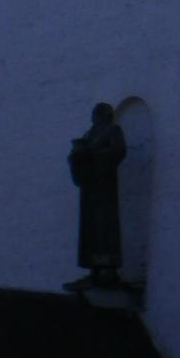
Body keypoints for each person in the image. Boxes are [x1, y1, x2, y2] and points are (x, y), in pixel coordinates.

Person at [68, 102, 127, 277]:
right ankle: (93, 267)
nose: (93, 118)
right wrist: (76, 156)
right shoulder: (90, 133)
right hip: (90, 187)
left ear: (102, 115)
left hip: (105, 187)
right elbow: (80, 153)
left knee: (105, 226)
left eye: (95, 114)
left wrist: (92, 155)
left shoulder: (113, 130)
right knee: (90, 227)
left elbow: (119, 150)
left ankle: (108, 269)